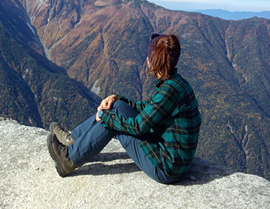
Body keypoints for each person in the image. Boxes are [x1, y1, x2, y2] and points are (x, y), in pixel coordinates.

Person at [47, 33, 202, 184]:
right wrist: (117, 98)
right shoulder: (176, 83)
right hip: (173, 159)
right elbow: (147, 108)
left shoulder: (168, 91)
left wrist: (105, 115)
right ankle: (73, 139)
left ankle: (68, 159)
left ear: (153, 61)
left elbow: (138, 127)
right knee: (117, 107)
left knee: (114, 122)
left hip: (166, 167)